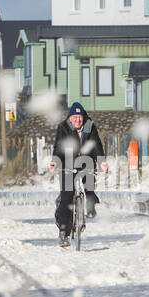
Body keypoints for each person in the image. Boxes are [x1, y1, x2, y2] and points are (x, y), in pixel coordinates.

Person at [49, 102, 107, 247]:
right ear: (70, 118)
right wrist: (55, 161)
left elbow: (97, 145)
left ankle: (90, 204)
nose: (77, 120)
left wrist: (101, 162)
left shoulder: (89, 126)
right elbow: (58, 146)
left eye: (79, 117)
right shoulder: (63, 128)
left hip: (85, 162)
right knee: (66, 198)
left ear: (83, 117)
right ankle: (63, 232)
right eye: (74, 117)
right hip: (67, 163)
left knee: (89, 183)